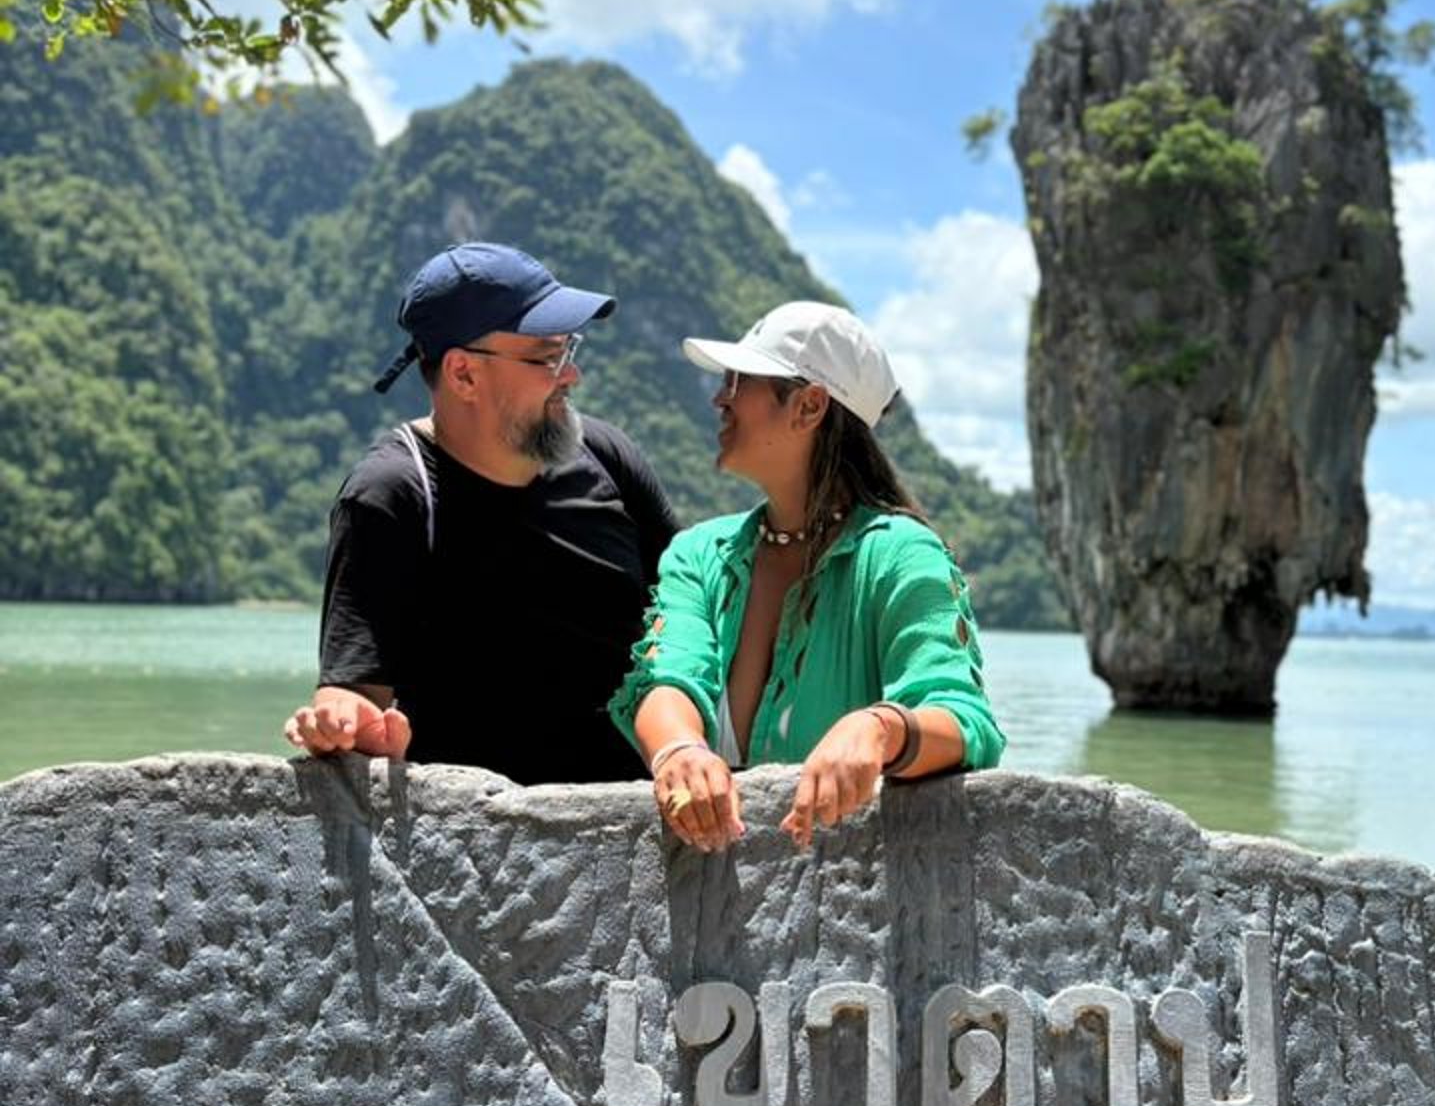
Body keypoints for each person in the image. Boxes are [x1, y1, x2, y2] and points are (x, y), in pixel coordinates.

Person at [611, 301, 1003, 848]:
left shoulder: (903, 556)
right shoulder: (697, 553)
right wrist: (679, 749)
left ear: (809, 406)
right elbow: (665, 679)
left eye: (740, 380)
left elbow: (963, 716)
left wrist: (879, 727)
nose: (720, 397)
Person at [284, 241, 677, 784]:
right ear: (464, 374)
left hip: (636, 821)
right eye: (548, 357)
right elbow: (353, 691)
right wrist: (341, 724)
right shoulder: (393, 495)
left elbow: (687, 609)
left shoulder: (607, 456)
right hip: (481, 844)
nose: (572, 375)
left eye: (571, 350)